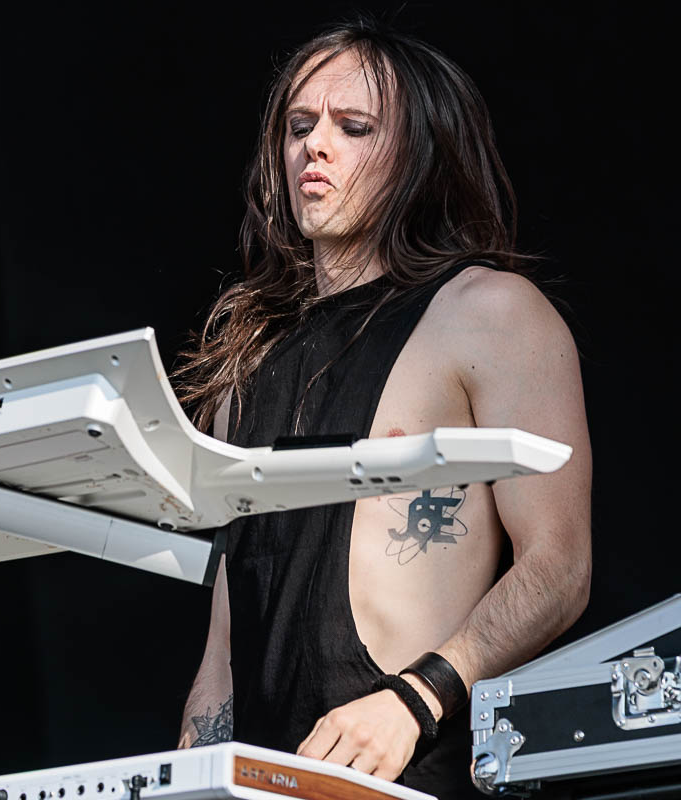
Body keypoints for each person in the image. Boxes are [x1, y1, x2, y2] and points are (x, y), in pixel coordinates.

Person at [170, 18, 591, 797]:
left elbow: (559, 567)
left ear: (419, 154)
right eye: (300, 126)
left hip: (414, 767)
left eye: (353, 127)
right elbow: (227, 633)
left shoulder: (490, 313)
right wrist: (198, 769)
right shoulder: (248, 364)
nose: (315, 146)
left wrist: (415, 699)